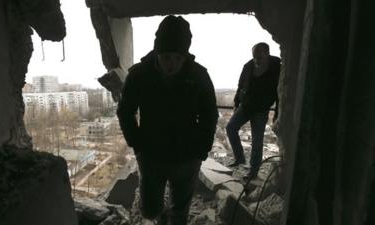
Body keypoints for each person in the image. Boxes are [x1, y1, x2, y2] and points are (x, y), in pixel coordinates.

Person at [117, 15, 218, 225]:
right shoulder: (139, 75)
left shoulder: (198, 76)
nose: (172, 64)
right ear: (157, 53)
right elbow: (125, 111)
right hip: (151, 155)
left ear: (185, 55)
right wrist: (136, 143)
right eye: (166, 57)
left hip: (187, 156)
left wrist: (201, 149)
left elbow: (209, 114)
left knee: (180, 211)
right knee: (150, 208)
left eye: (177, 58)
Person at [226, 42, 281, 180]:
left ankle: (253, 171)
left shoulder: (276, 68)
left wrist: (277, 112)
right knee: (230, 128)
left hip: (261, 110)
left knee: (257, 141)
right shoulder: (248, 66)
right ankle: (240, 158)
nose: (256, 60)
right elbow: (241, 85)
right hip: (246, 106)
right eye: (254, 57)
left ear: (267, 54)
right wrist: (237, 102)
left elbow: (281, 92)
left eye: (259, 57)